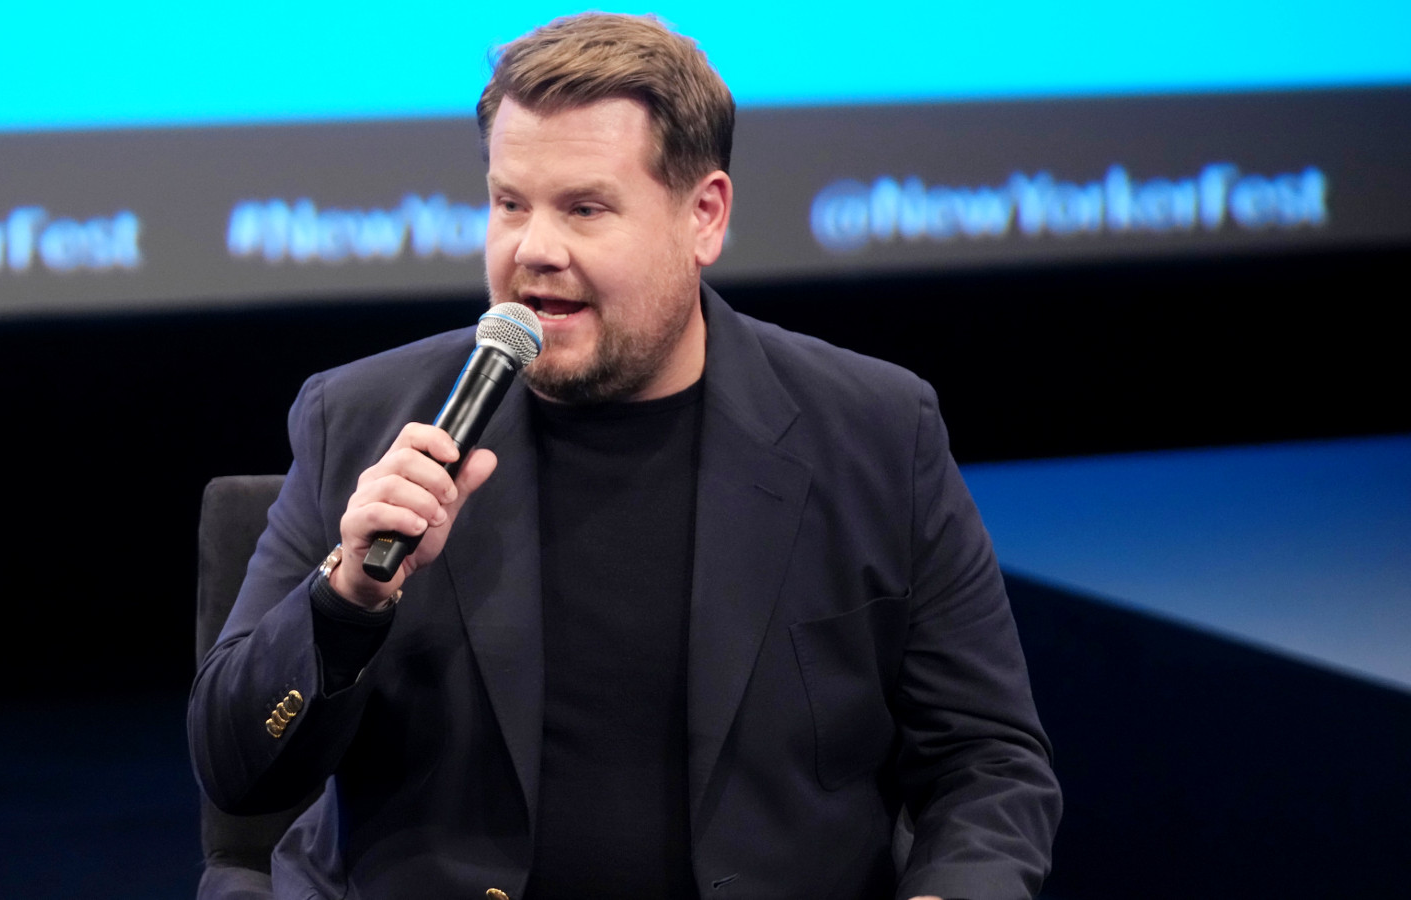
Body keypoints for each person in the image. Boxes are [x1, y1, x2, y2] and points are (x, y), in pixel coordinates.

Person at [189, 13, 1060, 900]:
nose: (533, 250)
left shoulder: (875, 432)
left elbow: (986, 762)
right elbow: (237, 774)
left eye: (585, 209)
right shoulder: (363, 419)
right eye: (509, 203)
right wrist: (349, 601)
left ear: (704, 216)